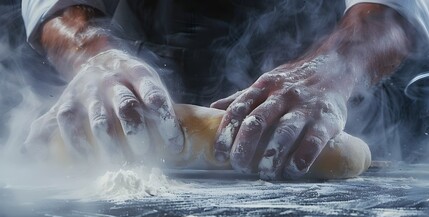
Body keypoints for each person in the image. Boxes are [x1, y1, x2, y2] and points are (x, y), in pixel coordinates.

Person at [21, 0, 429, 179]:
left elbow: (393, 9)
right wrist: (93, 54)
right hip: (144, 93)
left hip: (319, 105)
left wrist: (334, 69)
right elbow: (58, 6)